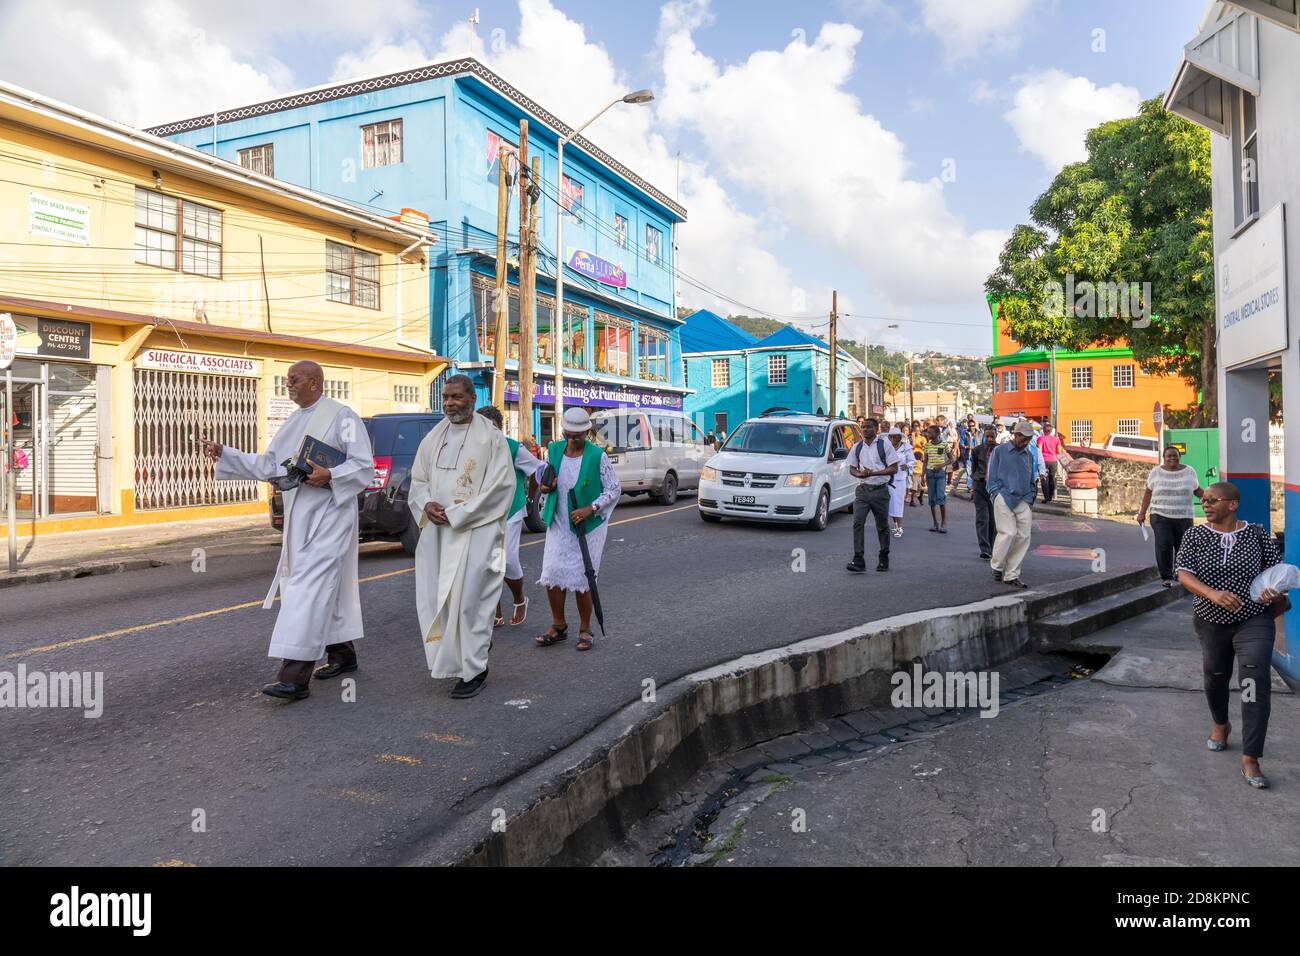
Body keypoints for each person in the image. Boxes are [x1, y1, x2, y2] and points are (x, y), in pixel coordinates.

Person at [202, 360, 373, 701]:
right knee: (325, 587)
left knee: (308, 588)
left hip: (331, 515)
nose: (289, 385)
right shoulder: (294, 420)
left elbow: (363, 465)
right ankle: (342, 653)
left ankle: (294, 676)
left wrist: (331, 476)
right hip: (300, 515)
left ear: (314, 382)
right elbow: (269, 464)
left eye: (294, 380)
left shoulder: (342, 416)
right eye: (287, 381)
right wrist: (227, 454)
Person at [409, 375, 515, 699]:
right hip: (439, 535)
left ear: (471, 398)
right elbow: (418, 479)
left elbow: (501, 488)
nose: (450, 403)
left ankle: (475, 669)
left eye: (456, 396)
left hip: (476, 534)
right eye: (446, 397)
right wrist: (426, 503)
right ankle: (455, 661)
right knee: (441, 601)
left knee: (472, 602)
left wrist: (456, 514)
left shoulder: (491, 438)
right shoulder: (432, 437)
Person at [1175, 482, 1288, 789]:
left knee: (1254, 680)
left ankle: (1251, 757)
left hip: (1253, 619)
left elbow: (1275, 572)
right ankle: (1221, 724)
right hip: (1211, 621)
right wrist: (1212, 594)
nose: (1206, 505)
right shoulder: (1195, 535)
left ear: (1233, 504)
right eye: (1204, 501)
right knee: (1215, 675)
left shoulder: (1257, 534)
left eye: (1213, 500)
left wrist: (1271, 589)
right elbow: (1183, 573)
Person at [535, 407, 622, 652]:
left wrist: (590, 508)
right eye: (569, 435)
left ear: (587, 432)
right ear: (563, 431)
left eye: (578, 436)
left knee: (584, 576)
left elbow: (614, 489)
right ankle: (559, 626)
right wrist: (545, 488)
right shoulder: (553, 450)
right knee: (552, 573)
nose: (572, 440)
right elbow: (546, 480)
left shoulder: (597, 456)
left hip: (588, 527)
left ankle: (585, 629)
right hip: (559, 520)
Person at [476, 405, 543, 626]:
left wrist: (531, 499)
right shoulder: (473, 447)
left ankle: (519, 599)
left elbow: (537, 469)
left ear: (498, 428)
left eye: (490, 428)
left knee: (507, 560)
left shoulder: (513, 448)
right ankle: (494, 613)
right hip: (483, 513)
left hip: (511, 509)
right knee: (487, 562)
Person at [1137, 445, 1202, 587]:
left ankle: (1180, 573)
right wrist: (1142, 512)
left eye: (1175, 455)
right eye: (1169, 456)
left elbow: (1197, 490)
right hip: (1160, 515)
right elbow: (1148, 493)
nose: (1172, 458)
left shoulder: (1190, 471)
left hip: (1184, 516)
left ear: (1180, 456)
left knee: (1183, 547)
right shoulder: (1156, 472)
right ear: (1164, 458)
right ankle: (1166, 577)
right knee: (1164, 544)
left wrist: (1210, 498)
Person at [846, 417, 902, 573]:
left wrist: (874, 473)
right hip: (863, 490)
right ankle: (858, 559)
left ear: (877, 429)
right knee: (857, 523)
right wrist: (860, 474)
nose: (865, 429)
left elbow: (893, 468)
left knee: (882, 525)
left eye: (869, 427)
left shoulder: (885, 445)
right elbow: (852, 468)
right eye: (863, 427)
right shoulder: (857, 447)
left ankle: (884, 556)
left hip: (880, 491)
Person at [987, 421, 1038, 588]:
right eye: (1023, 438)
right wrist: (995, 493)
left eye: (1028, 439)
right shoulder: (999, 451)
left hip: (1023, 497)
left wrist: (1030, 497)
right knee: (1008, 532)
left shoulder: (1028, 455)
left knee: (1024, 536)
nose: (1026, 443)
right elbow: (992, 476)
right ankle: (997, 565)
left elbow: (1032, 479)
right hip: (1003, 494)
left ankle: (1012, 574)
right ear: (1015, 435)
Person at [969, 424, 998, 559]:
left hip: (995, 488)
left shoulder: (1000, 450)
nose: (990, 439)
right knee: (983, 518)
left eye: (992, 436)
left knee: (993, 519)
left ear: (996, 436)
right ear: (983, 437)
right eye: (987, 436)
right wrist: (972, 487)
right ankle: (984, 549)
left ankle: (993, 547)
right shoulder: (976, 450)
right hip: (980, 486)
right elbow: (973, 469)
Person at [923, 424, 955, 533]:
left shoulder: (944, 445)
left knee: (941, 498)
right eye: (928, 432)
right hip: (930, 474)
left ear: (937, 434)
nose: (928, 434)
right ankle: (935, 522)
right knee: (931, 499)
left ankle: (943, 522)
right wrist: (923, 475)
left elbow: (952, 459)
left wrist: (941, 465)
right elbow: (925, 461)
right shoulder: (927, 445)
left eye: (931, 432)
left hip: (940, 474)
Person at [886, 427, 910, 538]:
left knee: (898, 503)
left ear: (900, 437)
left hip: (900, 480)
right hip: (888, 479)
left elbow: (912, 461)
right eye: (891, 436)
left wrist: (907, 465)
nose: (893, 438)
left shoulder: (906, 448)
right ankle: (895, 525)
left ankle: (899, 526)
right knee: (891, 504)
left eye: (895, 436)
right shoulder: (886, 448)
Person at [1038, 422, 1065, 503]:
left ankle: (1046, 497)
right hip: (1053, 460)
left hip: (1043, 461)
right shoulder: (1056, 439)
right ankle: (1050, 496)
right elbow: (1059, 451)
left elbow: (1039, 450)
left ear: (1043, 431)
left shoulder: (1040, 439)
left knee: (1044, 479)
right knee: (1052, 478)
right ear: (1051, 431)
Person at [910, 426, 927, 507]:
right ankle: (912, 500)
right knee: (915, 485)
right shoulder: (911, 438)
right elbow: (912, 446)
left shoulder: (923, 438)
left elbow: (924, 446)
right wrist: (913, 437)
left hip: (921, 458)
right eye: (915, 431)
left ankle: (920, 496)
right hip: (913, 459)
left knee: (922, 483)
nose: (917, 432)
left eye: (918, 431)